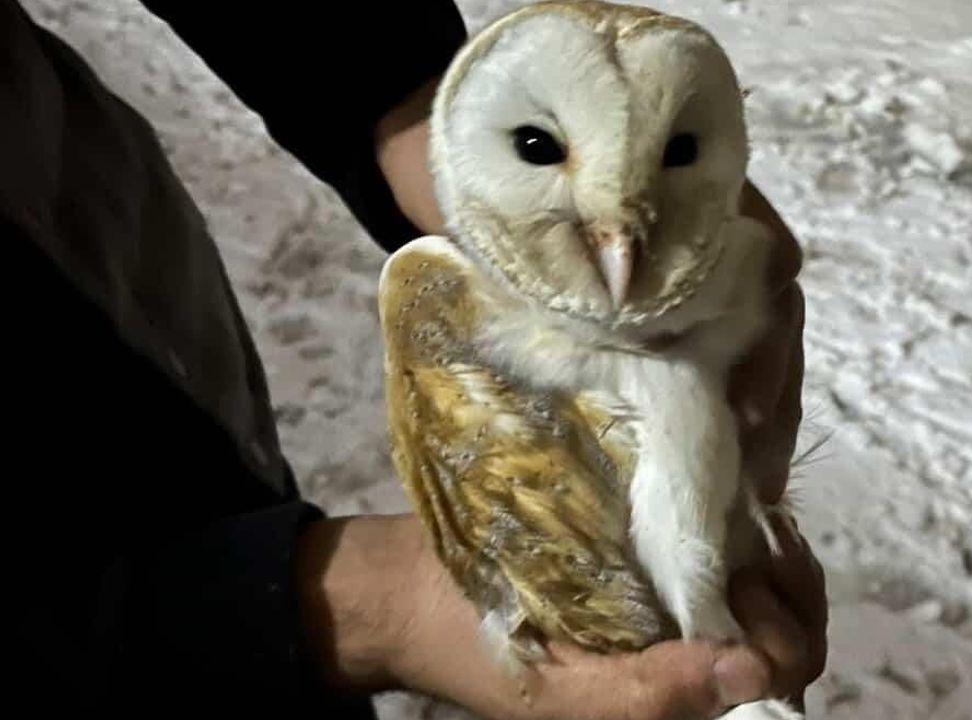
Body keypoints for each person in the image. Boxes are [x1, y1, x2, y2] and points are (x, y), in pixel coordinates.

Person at [2, 1, 827, 717]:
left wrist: (393, 86)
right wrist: (337, 609)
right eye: (537, 146)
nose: (615, 239)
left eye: (679, 154)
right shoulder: (433, 303)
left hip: (78, 217)